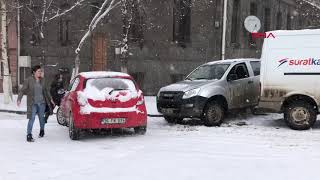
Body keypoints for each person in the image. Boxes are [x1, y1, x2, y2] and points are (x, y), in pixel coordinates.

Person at [17, 65, 55, 142]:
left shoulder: (43, 80)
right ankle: (29, 134)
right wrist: (19, 99)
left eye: (41, 71)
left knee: (41, 118)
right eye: (38, 71)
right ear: (34, 72)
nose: (40, 73)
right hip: (32, 103)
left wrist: (51, 99)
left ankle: (42, 130)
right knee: (32, 118)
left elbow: (46, 91)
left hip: (42, 103)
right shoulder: (28, 80)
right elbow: (22, 90)